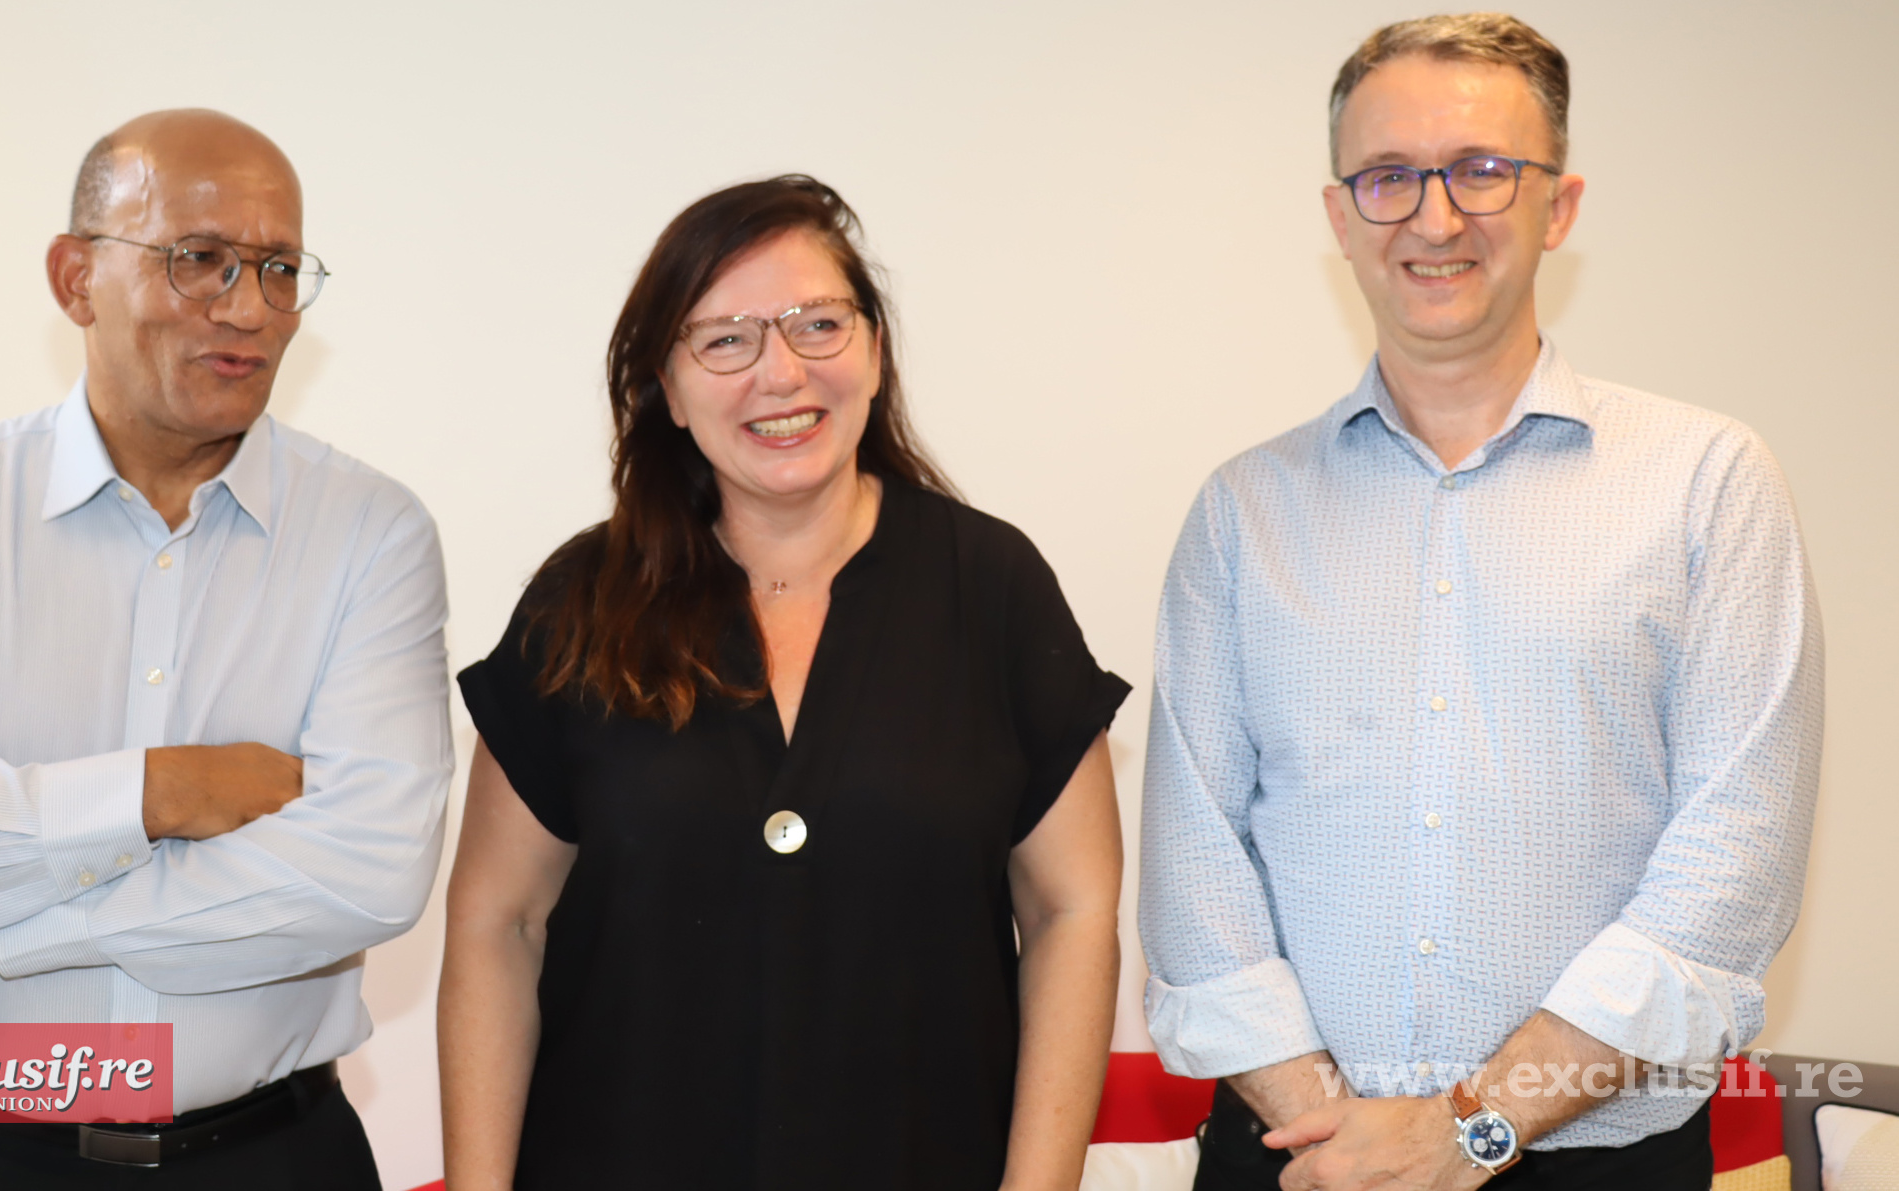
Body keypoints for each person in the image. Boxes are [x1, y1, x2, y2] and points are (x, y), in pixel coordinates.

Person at [1138, 14, 1821, 1191]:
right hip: (1299, 1160)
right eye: (1390, 177)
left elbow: (1731, 868)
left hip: (1597, 1164)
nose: (1436, 218)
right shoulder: (1243, 512)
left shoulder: (1708, 482)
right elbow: (1195, 873)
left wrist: (1467, 1130)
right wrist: (1344, 1140)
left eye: (1484, 172)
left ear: (1559, 207)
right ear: (1341, 216)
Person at [0, 109, 453, 1190]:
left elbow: (365, 876)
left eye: (280, 268)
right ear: (75, 277)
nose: (250, 307)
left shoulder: (371, 534)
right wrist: (155, 794)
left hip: (273, 1155)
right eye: (200, 261)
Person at [437, 175, 1127, 1191]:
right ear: (665, 388)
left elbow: (1073, 909)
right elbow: (498, 923)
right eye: (725, 340)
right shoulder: (581, 600)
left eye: (817, 324)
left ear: (876, 350)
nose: (781, 371)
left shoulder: (994, 588)